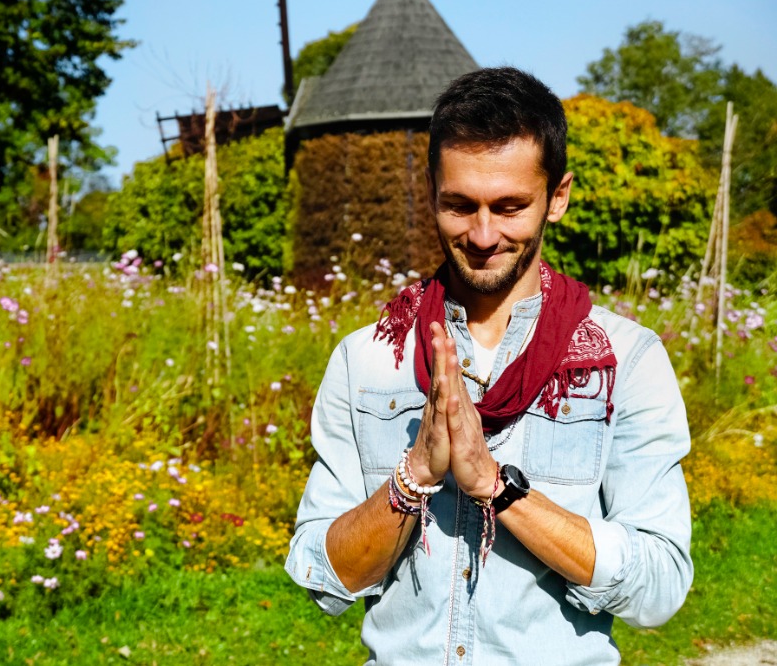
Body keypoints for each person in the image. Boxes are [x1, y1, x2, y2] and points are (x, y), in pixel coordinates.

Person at [285, 67, 693, 665]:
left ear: (558, 197)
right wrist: (415, 477)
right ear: (431, 192)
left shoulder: (625, 360)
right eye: (459, 205)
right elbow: (323, 578)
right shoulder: (367, 360)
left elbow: (659, 586)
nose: (482, 235)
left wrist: (498, 490)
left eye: (509, 206)